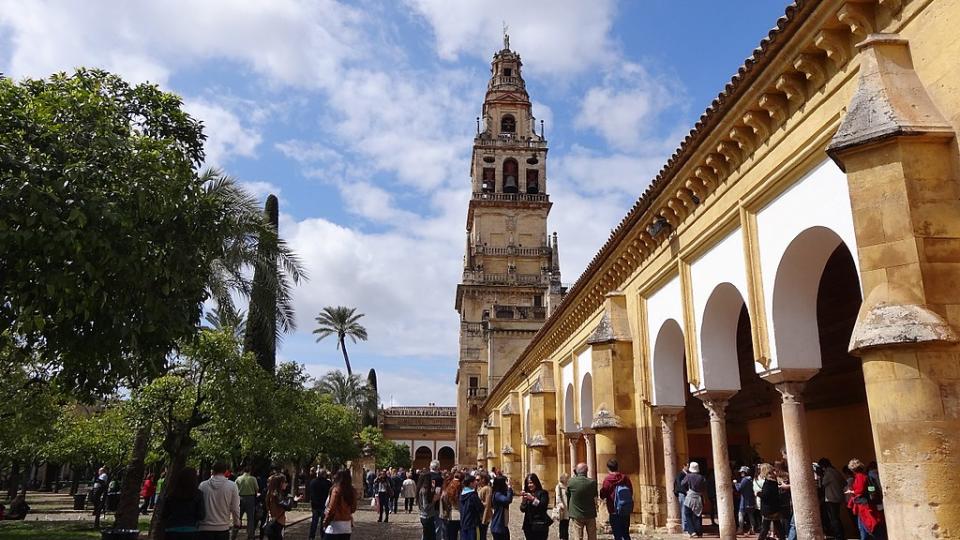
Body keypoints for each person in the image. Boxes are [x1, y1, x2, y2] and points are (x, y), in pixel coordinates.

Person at [198, 461, 241, 540]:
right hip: (222, 527)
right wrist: (236, 522)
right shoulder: (232, 486)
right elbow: (235, 507)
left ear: (212, 471)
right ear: (225, 471)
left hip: (204, 527)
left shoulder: (202, 486)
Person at [161, 467, 205, 540]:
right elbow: (201, 515)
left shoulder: (171, 494)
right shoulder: (198, 494)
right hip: (191, 529)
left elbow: (164, 514)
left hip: (172, 529)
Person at [846, 459, 885, 539]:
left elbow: (860, 490)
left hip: (864, 506)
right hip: (864, 504)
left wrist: (852, 491)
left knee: (870, 527)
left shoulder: (860, 476)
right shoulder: (864, 476)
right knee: (865, 529)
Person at [599, 459, 632, 540]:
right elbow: (630, 491)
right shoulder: (625, 478)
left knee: (617, 535)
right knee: (626, 533)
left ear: (608, 468)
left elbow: (603, 494)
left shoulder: (608, 480)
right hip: (625, 508)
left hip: (613, 510)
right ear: (617, 467)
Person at [323, 470, 358, 540]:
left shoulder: (336, 490)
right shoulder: (352, 491)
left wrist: (325, 520)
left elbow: (331, 508)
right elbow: (353, 509)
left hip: (334, 525)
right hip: (347, 526)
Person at [567, 463, 597, 540]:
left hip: (576, 513)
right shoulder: (592, 482)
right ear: (587, 471)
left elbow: (568, 495)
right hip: (590, 513)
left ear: (576, 471)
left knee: (578, 536)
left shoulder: (571, 482)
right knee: (592, 536)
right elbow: (595, 494)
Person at [817, 458, 845, 540]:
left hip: (831, 498)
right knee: (837, 517)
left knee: (834, 519)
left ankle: (838, 536)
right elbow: (844, 483)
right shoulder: (836, 471)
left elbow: (822, 484)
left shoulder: (828, 473)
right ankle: (841, 535)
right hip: (838, 497)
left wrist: (821, 475)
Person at [757, 463, 785, 540]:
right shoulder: (774, 480)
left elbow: (766, 495)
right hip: (774, 507)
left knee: (765, 528)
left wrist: (758, 493)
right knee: (778, 525)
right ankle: (783, 538)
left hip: (769, 508)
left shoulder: (768, 482)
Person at [520, 473, 551, 540]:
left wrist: (533, 499)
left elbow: (543, 506)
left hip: (540, 526)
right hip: (528, 526)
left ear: (535, 482)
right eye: (528, 483)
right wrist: (524, 501)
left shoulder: (543, 493)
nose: (529, 485)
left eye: (531, 483)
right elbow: (522, 509)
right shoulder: (527, 494)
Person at [680, 461, 705, 538]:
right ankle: (699, 532)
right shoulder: (701, 477)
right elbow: (704, 486)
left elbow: (682, 484)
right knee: (698, 514)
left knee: (688, 514)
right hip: (698, 497)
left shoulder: (689, 476)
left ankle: (692, 531)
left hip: (690, 497)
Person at [264, 474, 294, 540]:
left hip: (274, 523)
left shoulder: (271, 493)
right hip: (276, 524)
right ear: (280, 483)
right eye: (285, 482)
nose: (286, 484)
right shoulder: (276, 494)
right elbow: (287, 506)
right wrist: (291, 498)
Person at [235, 466, 259, 540]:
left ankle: (234, 534)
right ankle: (250, 536)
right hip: (250, 498)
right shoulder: (253, 478)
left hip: (240, 498)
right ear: (250, 471)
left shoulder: (238, 479)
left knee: (238, 517)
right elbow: (257, 488)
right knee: (250, 518)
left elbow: (235, 489)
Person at [307, 468, 332, 540]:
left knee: (314, 523)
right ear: (324, 474)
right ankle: (323, 536)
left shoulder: (313, 482)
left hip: (315, 505)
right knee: (323, 523)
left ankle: (311, 537)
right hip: (323, 505)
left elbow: (310, 493)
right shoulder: (328, 483)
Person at [460, 475, 485, 540]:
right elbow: (480, 508)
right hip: (473, 523)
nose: (476, 483)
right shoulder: (472, 495)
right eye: (474, 482)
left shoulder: (462, 494)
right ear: (471, 483)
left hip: (464, 522)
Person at [736, 466, 759, 534]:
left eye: (742, 472)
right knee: (750, 515)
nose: (741, 473)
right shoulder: (751, 479)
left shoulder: (744, 480)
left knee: (740, 514)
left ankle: (740, 529)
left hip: (744, 501)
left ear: (745, 472)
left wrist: (735, 483)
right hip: (751, 500)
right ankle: (752, 529)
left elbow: (739, 489)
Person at [418, 472, 441, 540]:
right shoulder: (424, 490)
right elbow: (426, 507)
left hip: (425, 516)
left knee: (428, 535)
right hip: (427, 516)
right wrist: (434, 500)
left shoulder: (422, 489)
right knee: (429, 536)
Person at [489, 476, 513, 540]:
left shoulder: (499, 494)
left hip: (502, 526)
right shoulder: (497, 495)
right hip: (498, 526)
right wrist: (509, 488)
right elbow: (508, 500)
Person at [442, 472, 464, 540]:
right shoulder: (463, 489)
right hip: (462, 515)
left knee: (452, 537)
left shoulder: (448, 489)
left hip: (452, 515)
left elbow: (445, 501)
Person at [477, 472, 493, 540]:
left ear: (483, 479)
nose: (477, 481)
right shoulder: (480, 488)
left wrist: (484, 519)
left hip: (484, 516)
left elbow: (487, 504)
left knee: (482, 536)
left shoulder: (487, 489)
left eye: (478, 480)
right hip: (479, 516)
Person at [554, 473, 570, 540]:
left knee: (566, 523)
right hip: (562, 508)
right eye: (567, 478)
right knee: (562, 523)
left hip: (567, 508)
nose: (569, 479)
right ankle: (562, 537)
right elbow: (558, 497)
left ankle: (565, 537)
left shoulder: (567, 486)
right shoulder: (559, 487)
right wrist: (560, 504)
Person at [674, 464, 689, 533]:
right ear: (684, 466)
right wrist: (686, 492)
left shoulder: (688, 474)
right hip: (683, 494)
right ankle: (685, 527)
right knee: (684, 510)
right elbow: (679, 485)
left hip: (686, 494)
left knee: (687, 510)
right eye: (687, 466)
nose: (688, 468)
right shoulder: (680, 474)